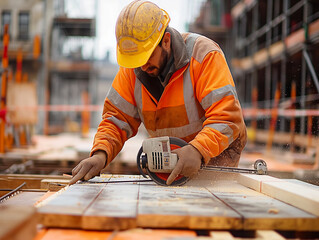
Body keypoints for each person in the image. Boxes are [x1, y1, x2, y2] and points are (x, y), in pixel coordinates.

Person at [70, 0, 247, 185]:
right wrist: (100, 154)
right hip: (171, 162)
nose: (142, 65)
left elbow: (226, 117)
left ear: (166, 41)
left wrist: (198, 149)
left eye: (146, 57)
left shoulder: (204, 55)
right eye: (136, 60)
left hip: (216, 156)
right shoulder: (133, 69)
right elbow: (116, 119)